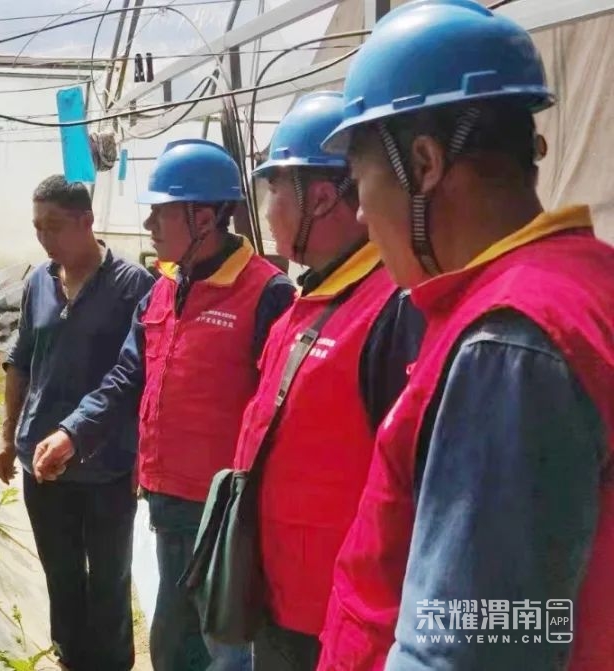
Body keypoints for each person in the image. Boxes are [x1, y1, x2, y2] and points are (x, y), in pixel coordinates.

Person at [311, 1, 614, 670]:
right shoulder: (584, 282)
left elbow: (464, 651)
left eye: (359, 183)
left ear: (424, 163)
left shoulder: (508, 344)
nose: (359, 215)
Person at [33, 139, 297, 670]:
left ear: (204, 217)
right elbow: (127, 375)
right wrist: (73, 432)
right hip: (167, 500)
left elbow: (280, 416)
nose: (149, 224)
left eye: (161, 212)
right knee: (176, 645)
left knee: (223, 648)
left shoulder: (267, 295)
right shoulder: (165, 288)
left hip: (223, 512)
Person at [232, 91, 424, 670]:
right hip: (280, 597)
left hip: (335, 622)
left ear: (320, 198)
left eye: (273, 191)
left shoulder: (393, 308)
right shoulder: (310, 299)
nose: (267, 212)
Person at [0, 175, 155, 671]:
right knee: (60, 574)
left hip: (106, 462)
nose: (45, 238)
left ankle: (111, 663)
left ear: (87, 221)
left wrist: (143, 453)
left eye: (55, 226)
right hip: (41, 462)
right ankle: (69, 658)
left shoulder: (133, 286)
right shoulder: (38, 283)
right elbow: (21, 360)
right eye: (38, 227)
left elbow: (139, 375)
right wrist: (7, 435)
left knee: (109, 576)